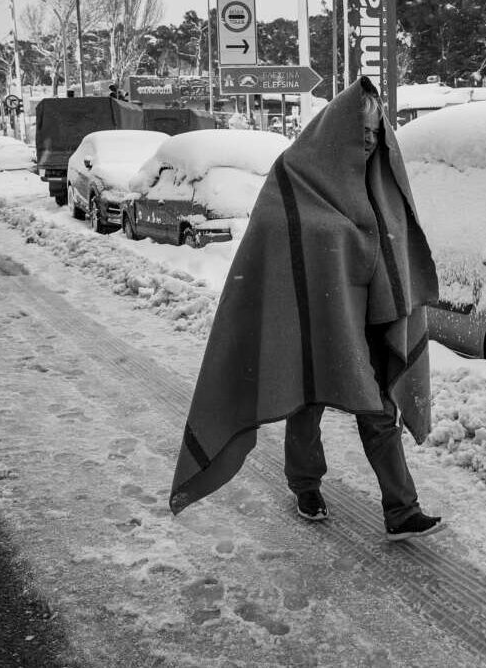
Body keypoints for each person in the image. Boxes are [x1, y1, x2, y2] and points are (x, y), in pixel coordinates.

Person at [169, 77, 445, 542]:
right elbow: (275, 234)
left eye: (377, 135)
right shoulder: (294, 175)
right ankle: (305, 485)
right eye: (362, 134)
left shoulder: (380, 179)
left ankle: (402, 510)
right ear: (336, 131)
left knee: (378, 410)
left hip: (368, 318)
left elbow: (395, 241)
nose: (369, 143)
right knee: (308, 400)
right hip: (312, 314)